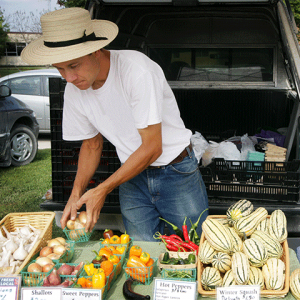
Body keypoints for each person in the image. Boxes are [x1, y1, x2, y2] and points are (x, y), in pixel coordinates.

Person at [21, 7, 209, 241]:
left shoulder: (136, 71)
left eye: (74, 65)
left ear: (97, 50)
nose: (68, 78)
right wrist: (76, 194)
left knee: (192, 245)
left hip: (176, 170)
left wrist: (102, 189)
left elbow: (153, 147)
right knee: (141, 255)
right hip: (130, 175)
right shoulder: (73, 89)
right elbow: (91, 145)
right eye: (60, 69)